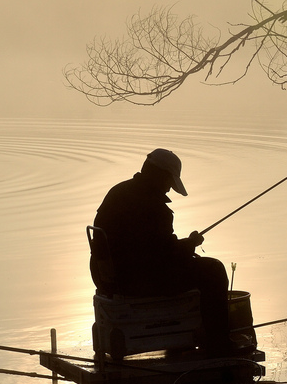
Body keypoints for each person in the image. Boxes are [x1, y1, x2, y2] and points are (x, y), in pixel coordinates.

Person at [91, 148, 229, 355]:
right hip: (138, 280)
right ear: (158, 175)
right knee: (213, 270)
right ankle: (218, 343)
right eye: (168, 183)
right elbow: (163, 257)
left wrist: (185, 246)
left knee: (196, 265)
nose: (168, 190)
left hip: (107, 277)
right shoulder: (155, 208)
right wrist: (190, 244)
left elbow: (149, 247)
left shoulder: (118, 192)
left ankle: (181, 335)